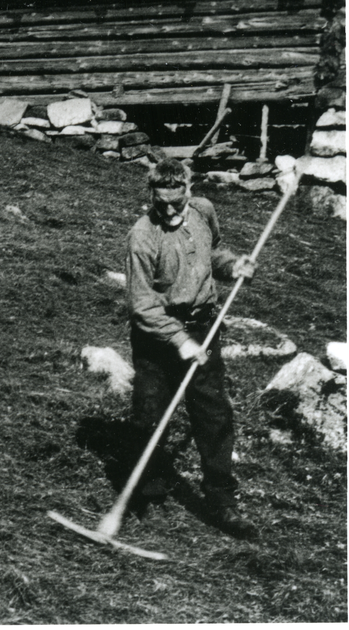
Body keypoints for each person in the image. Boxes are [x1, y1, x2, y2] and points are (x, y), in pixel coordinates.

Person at [125, 158, 258, 539]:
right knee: (151, 413)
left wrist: (234, 266)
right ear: (151, 194)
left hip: (204, 326)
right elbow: (142, 305)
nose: (168, 210)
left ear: (189, 191)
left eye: (175, 202)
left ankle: (221, 500)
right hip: (158, 335)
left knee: (213, 414)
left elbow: (212, 252)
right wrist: (180, 341)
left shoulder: (203, 211)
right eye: (160, 202)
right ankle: (146, 491)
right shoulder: (142, 236)